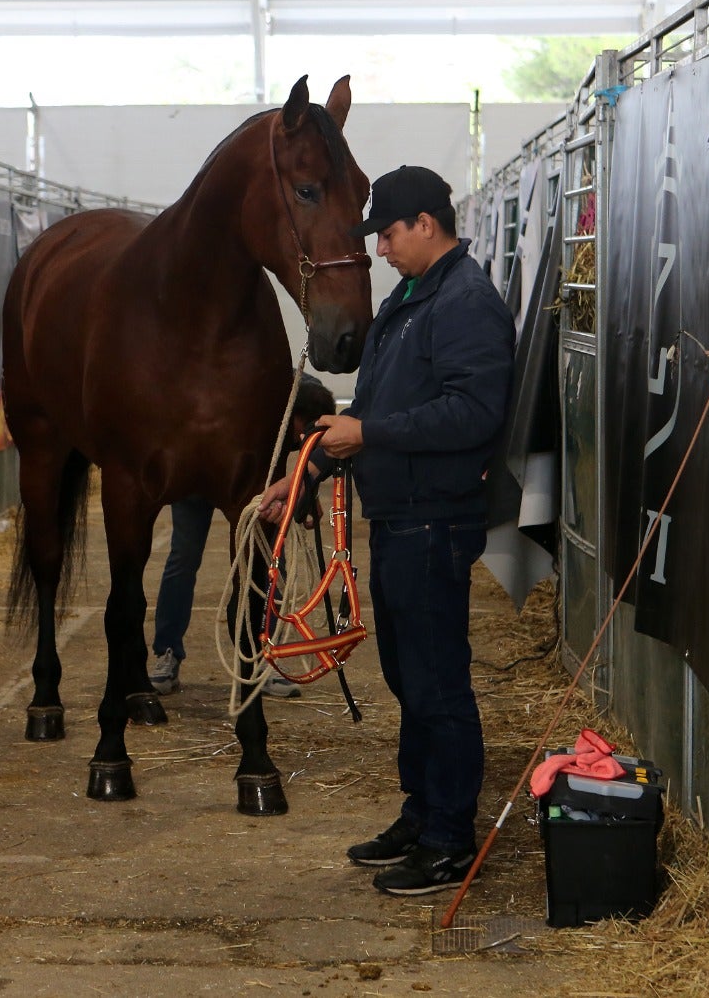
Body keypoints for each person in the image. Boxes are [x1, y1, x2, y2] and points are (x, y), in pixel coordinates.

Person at [259, 165, 515, 897]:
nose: (380, 249)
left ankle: (449, 840)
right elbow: (375, 413)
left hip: (435, 517)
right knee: (410, 677)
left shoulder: (464, 304)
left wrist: (367, 432)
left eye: (389, 233)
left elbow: (471, 415)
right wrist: (304, 474)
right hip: (404, 515)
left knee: (436, 681)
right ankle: (423, 811)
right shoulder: (413, 297)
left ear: (426, 224)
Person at [149, 372, 338, 699]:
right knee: (184, 557)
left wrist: (306, 493)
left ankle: (266, 656)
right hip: (195, 474)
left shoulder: (290, 387)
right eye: (299, 432)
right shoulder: (244, 389)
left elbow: (306, 454)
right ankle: (167, 651)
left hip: (241, 480)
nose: (297, 442)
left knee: (265, 556)